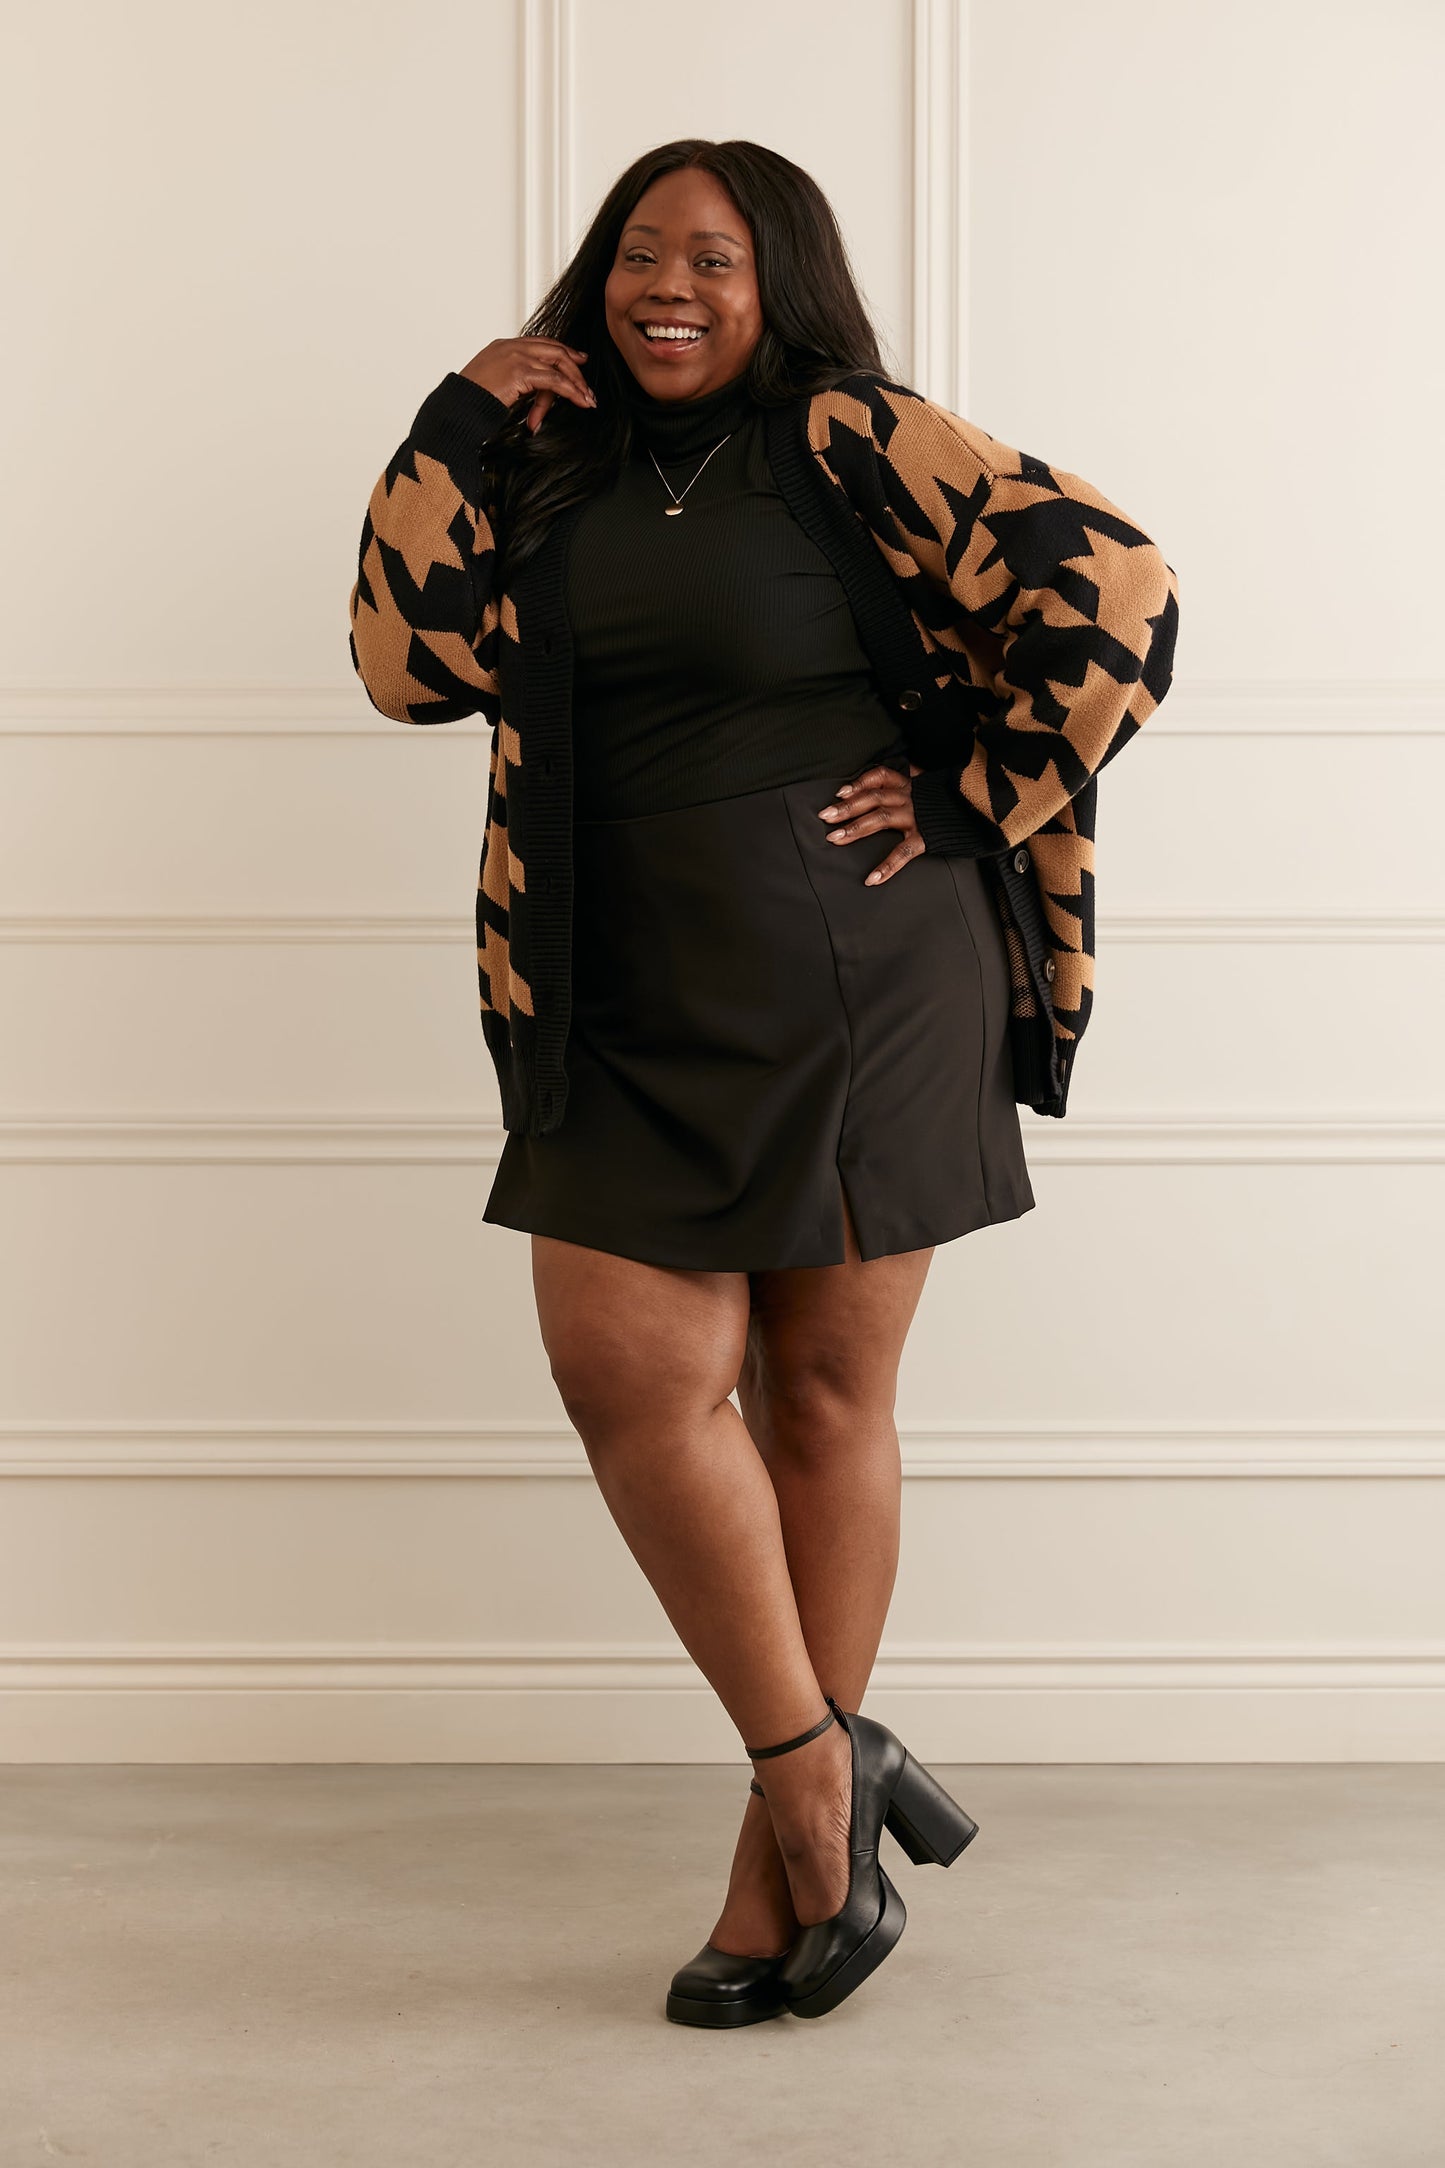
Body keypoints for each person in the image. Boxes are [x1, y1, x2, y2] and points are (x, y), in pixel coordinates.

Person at [348, 139, 1179, 2027]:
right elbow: (403, 666)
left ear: (774, 281)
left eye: (713, 260)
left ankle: (772, 1872)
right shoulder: (541, 464)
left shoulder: (848, 436)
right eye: (640, 254)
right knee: (628, 1377)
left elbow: (1119, 583)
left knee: (817, 1390)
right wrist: (457, 414)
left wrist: (972, 792)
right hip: (612, 977)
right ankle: (821, 1774)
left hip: (854, 969)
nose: (669, 288)